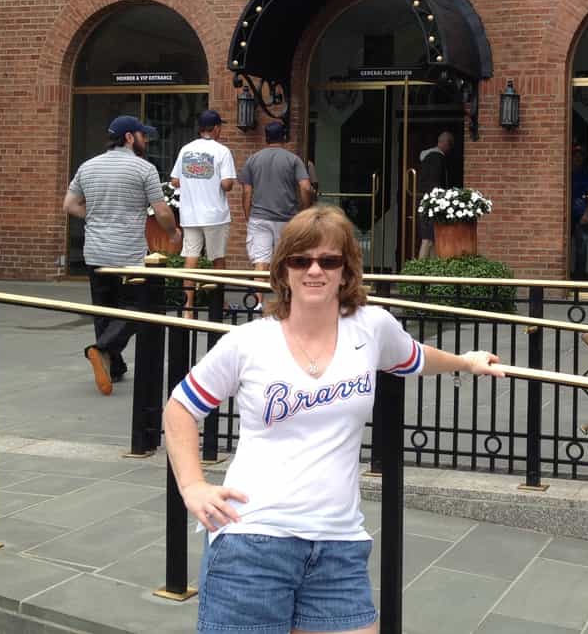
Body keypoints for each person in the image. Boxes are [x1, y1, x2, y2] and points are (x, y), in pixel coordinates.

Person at [163, 205, 503, 634]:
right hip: (252, 541)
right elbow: (180, 407)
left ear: (346, 271)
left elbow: (414, 358)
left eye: (329, 260)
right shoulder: (248, 343)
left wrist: (466, 362)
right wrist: (192, 487)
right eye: (301, 260)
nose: (314, 271)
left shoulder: (371, 328)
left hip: (338, 545)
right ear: (283, 270)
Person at [63, 115, 178, 395]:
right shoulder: (144, 168)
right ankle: (101, 349)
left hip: (95, 252)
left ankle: (113, 366)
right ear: (129, 137)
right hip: (127, 253)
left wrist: (97, 216)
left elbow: (69, 205)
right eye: (143, 136)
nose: (147, 140)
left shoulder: (88, 166)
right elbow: (161, 210)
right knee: (140, 309)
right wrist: (174, 233)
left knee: (104, 311)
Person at [238, 119, 313, 309]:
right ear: (284, 137)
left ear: (266, 138)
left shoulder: (253, 159)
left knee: (261, 262)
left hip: (259, 217)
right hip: (287, 218)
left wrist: (249, 215)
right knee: (288, 261)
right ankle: (286, 301)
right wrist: (304, 211)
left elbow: (247, 191)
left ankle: (257, 303)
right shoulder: (293, 159)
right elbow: (305, 187)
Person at [172, 109, 237, 317]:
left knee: (190, 258)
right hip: (214, 215)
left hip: (190, 215)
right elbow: (227, 184)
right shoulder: (222, 151)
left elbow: (175, 180)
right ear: (216, 128)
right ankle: (218, 304)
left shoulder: (185, 150)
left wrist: (192, 181)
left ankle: (188, 307)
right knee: (217, 258)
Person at [416, 131, 454, 259]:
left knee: (431, 239)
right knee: (428, 239)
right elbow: (435, 182)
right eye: (450, 145)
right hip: (432, 202)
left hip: (424, 200)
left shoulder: (426, 158)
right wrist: (441, 199)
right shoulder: (438, 159)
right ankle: (417, 273)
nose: (449, 149)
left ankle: (433, 273)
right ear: (444, 143)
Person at [570, 143, 588, 279]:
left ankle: (579, 280)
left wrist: (587, 213)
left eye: (580, 156)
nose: (578, 158)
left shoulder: (587, 174)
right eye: (575, 155)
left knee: (581, 249)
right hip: (567, 216)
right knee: (564, 247)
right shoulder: (567, 172)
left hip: (581, 215)